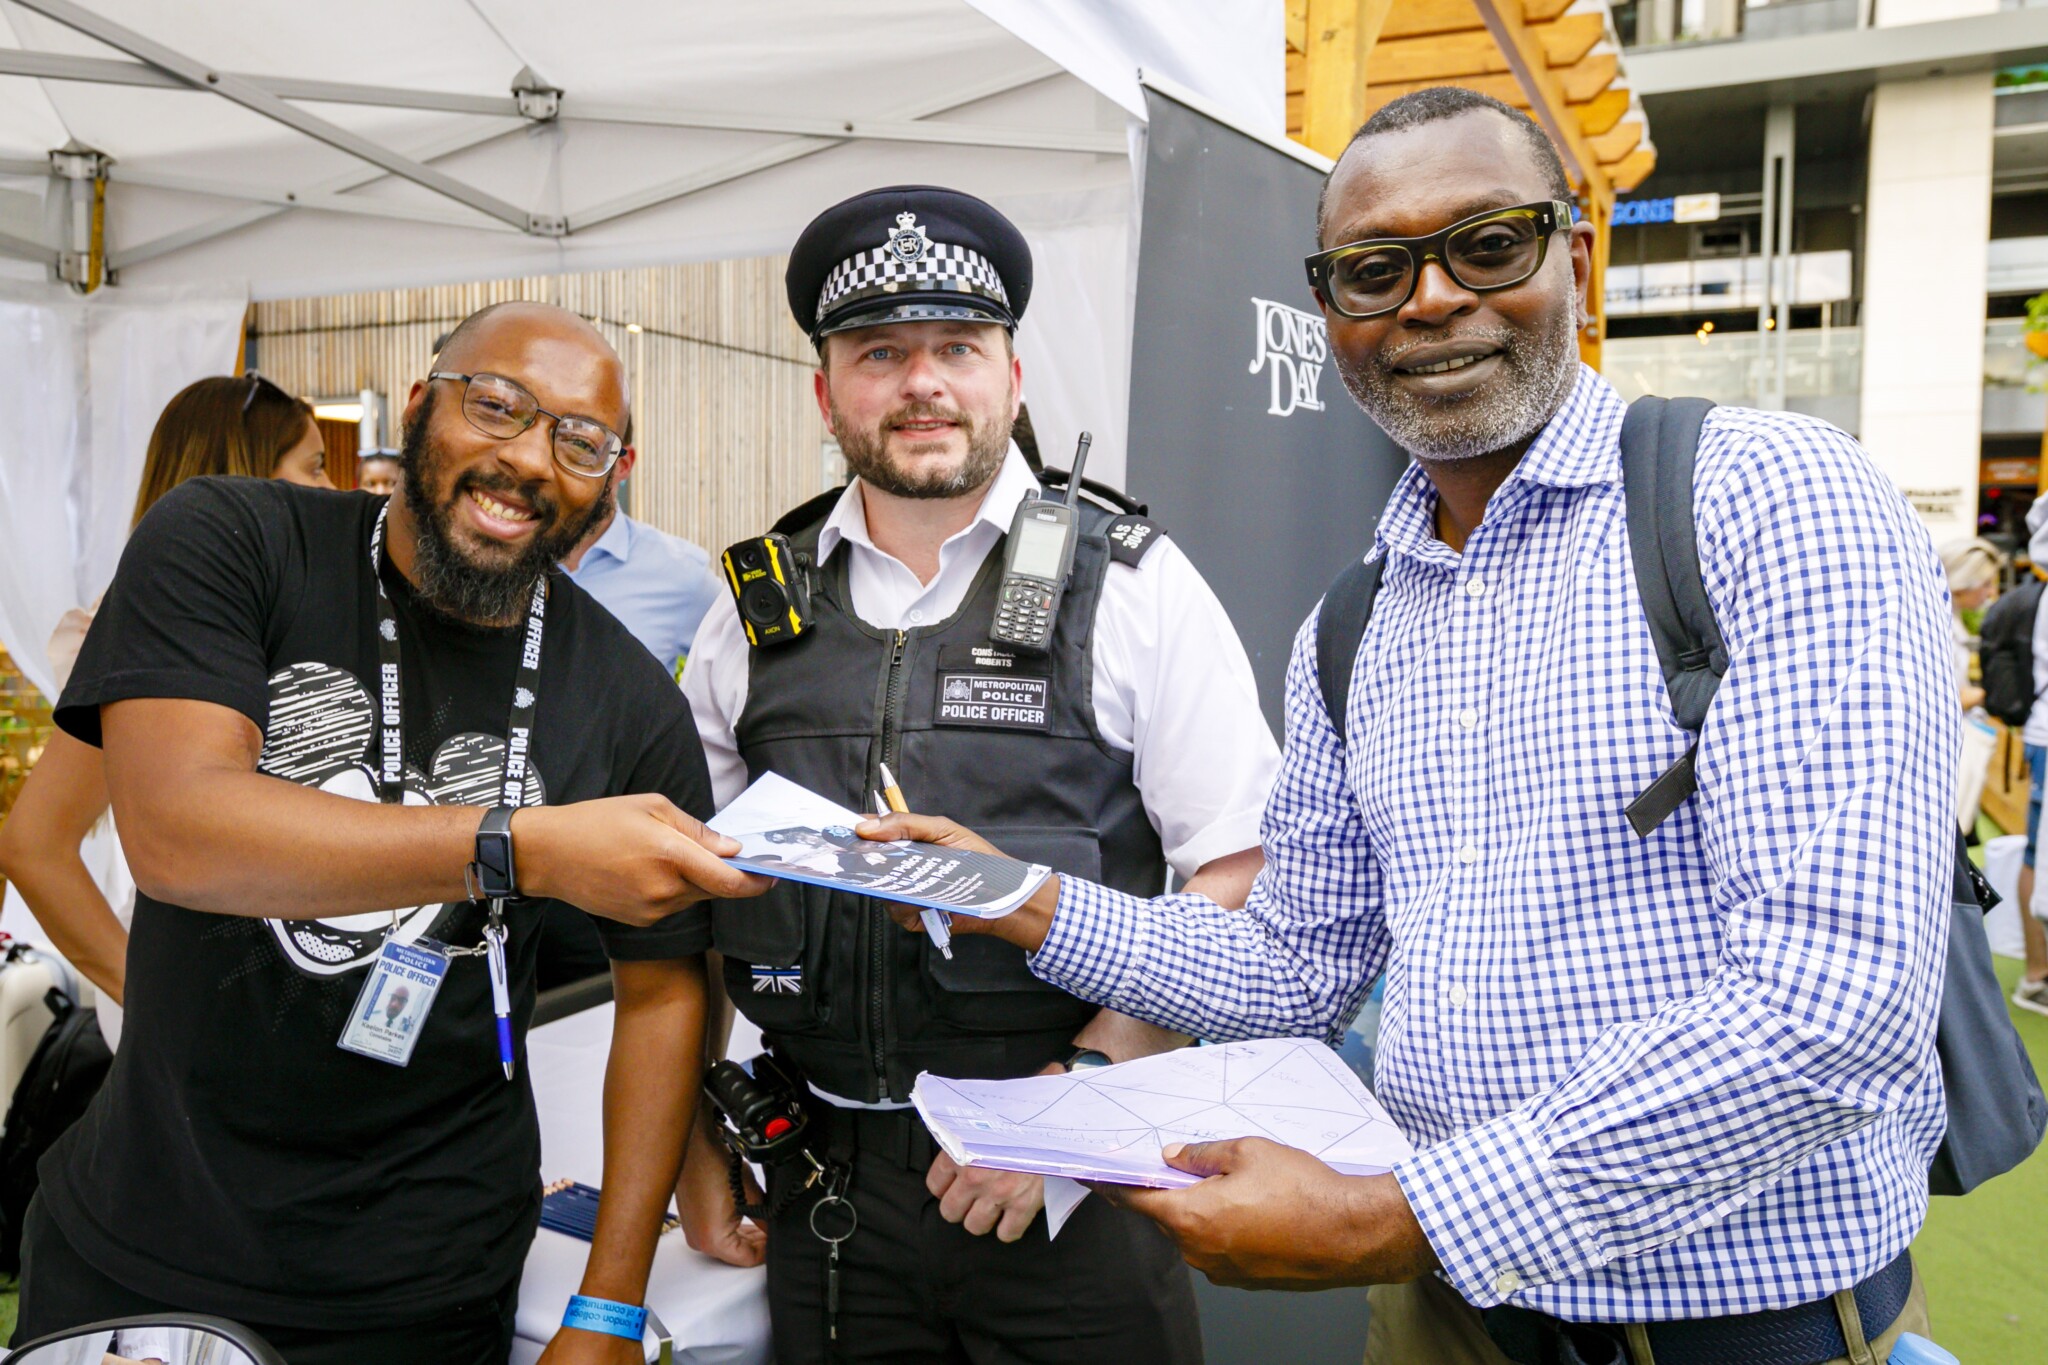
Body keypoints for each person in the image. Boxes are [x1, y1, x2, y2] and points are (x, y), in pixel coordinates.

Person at [867, 91, 1956, 1365]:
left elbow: (1834, 1000)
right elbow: (1293, 963)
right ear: (1328, 313)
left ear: (1574, 258)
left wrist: (1403, 1216)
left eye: (1486, 245)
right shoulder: (1358, 619)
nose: (1429, 300)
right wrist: (1017, 898)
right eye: (1374, 271)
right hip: (1449, 1317)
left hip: (1735, 1329)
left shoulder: (1765, 498)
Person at [563, 185, 1279, 1365]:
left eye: (956, 348)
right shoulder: (753, 610)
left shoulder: (1132, 586)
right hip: (824, 1196)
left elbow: (1242, 877)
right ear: (824, 392)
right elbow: (685, 898)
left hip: (1074, 1187)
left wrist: (1074, 1099)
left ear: (1011, 378)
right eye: (879, 354)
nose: (922, 384)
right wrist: (693, 1141)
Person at [13, 301, 765, 1365]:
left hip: (427, 1285)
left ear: (612, 474)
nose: (527, 460)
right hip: (147, 1250)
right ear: (418, 407)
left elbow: (665, 994)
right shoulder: (232, 539)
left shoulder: (629, 698)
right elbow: (177, 830)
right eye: (496, 406)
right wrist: (520, 846)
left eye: (579, 441)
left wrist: (609, 1300)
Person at [0, 372, 334, 1048]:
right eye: (315, 466)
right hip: (205, 1016)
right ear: (244, 475)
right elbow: (35, 845)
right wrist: (151, 1000)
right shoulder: (154, 632)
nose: (332, 489)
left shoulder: (289, 618)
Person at [560, 439, 720, 678]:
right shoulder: (511, 555)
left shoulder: (682, 574)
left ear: (623, 464)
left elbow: (740, 671)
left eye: (585, 448)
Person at [1938, 536, 2002, 710]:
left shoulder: (1950, 619)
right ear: (1961, 583)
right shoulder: (1938, 629)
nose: (1991, 592)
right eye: (1986, 584)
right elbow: (1942, 701)